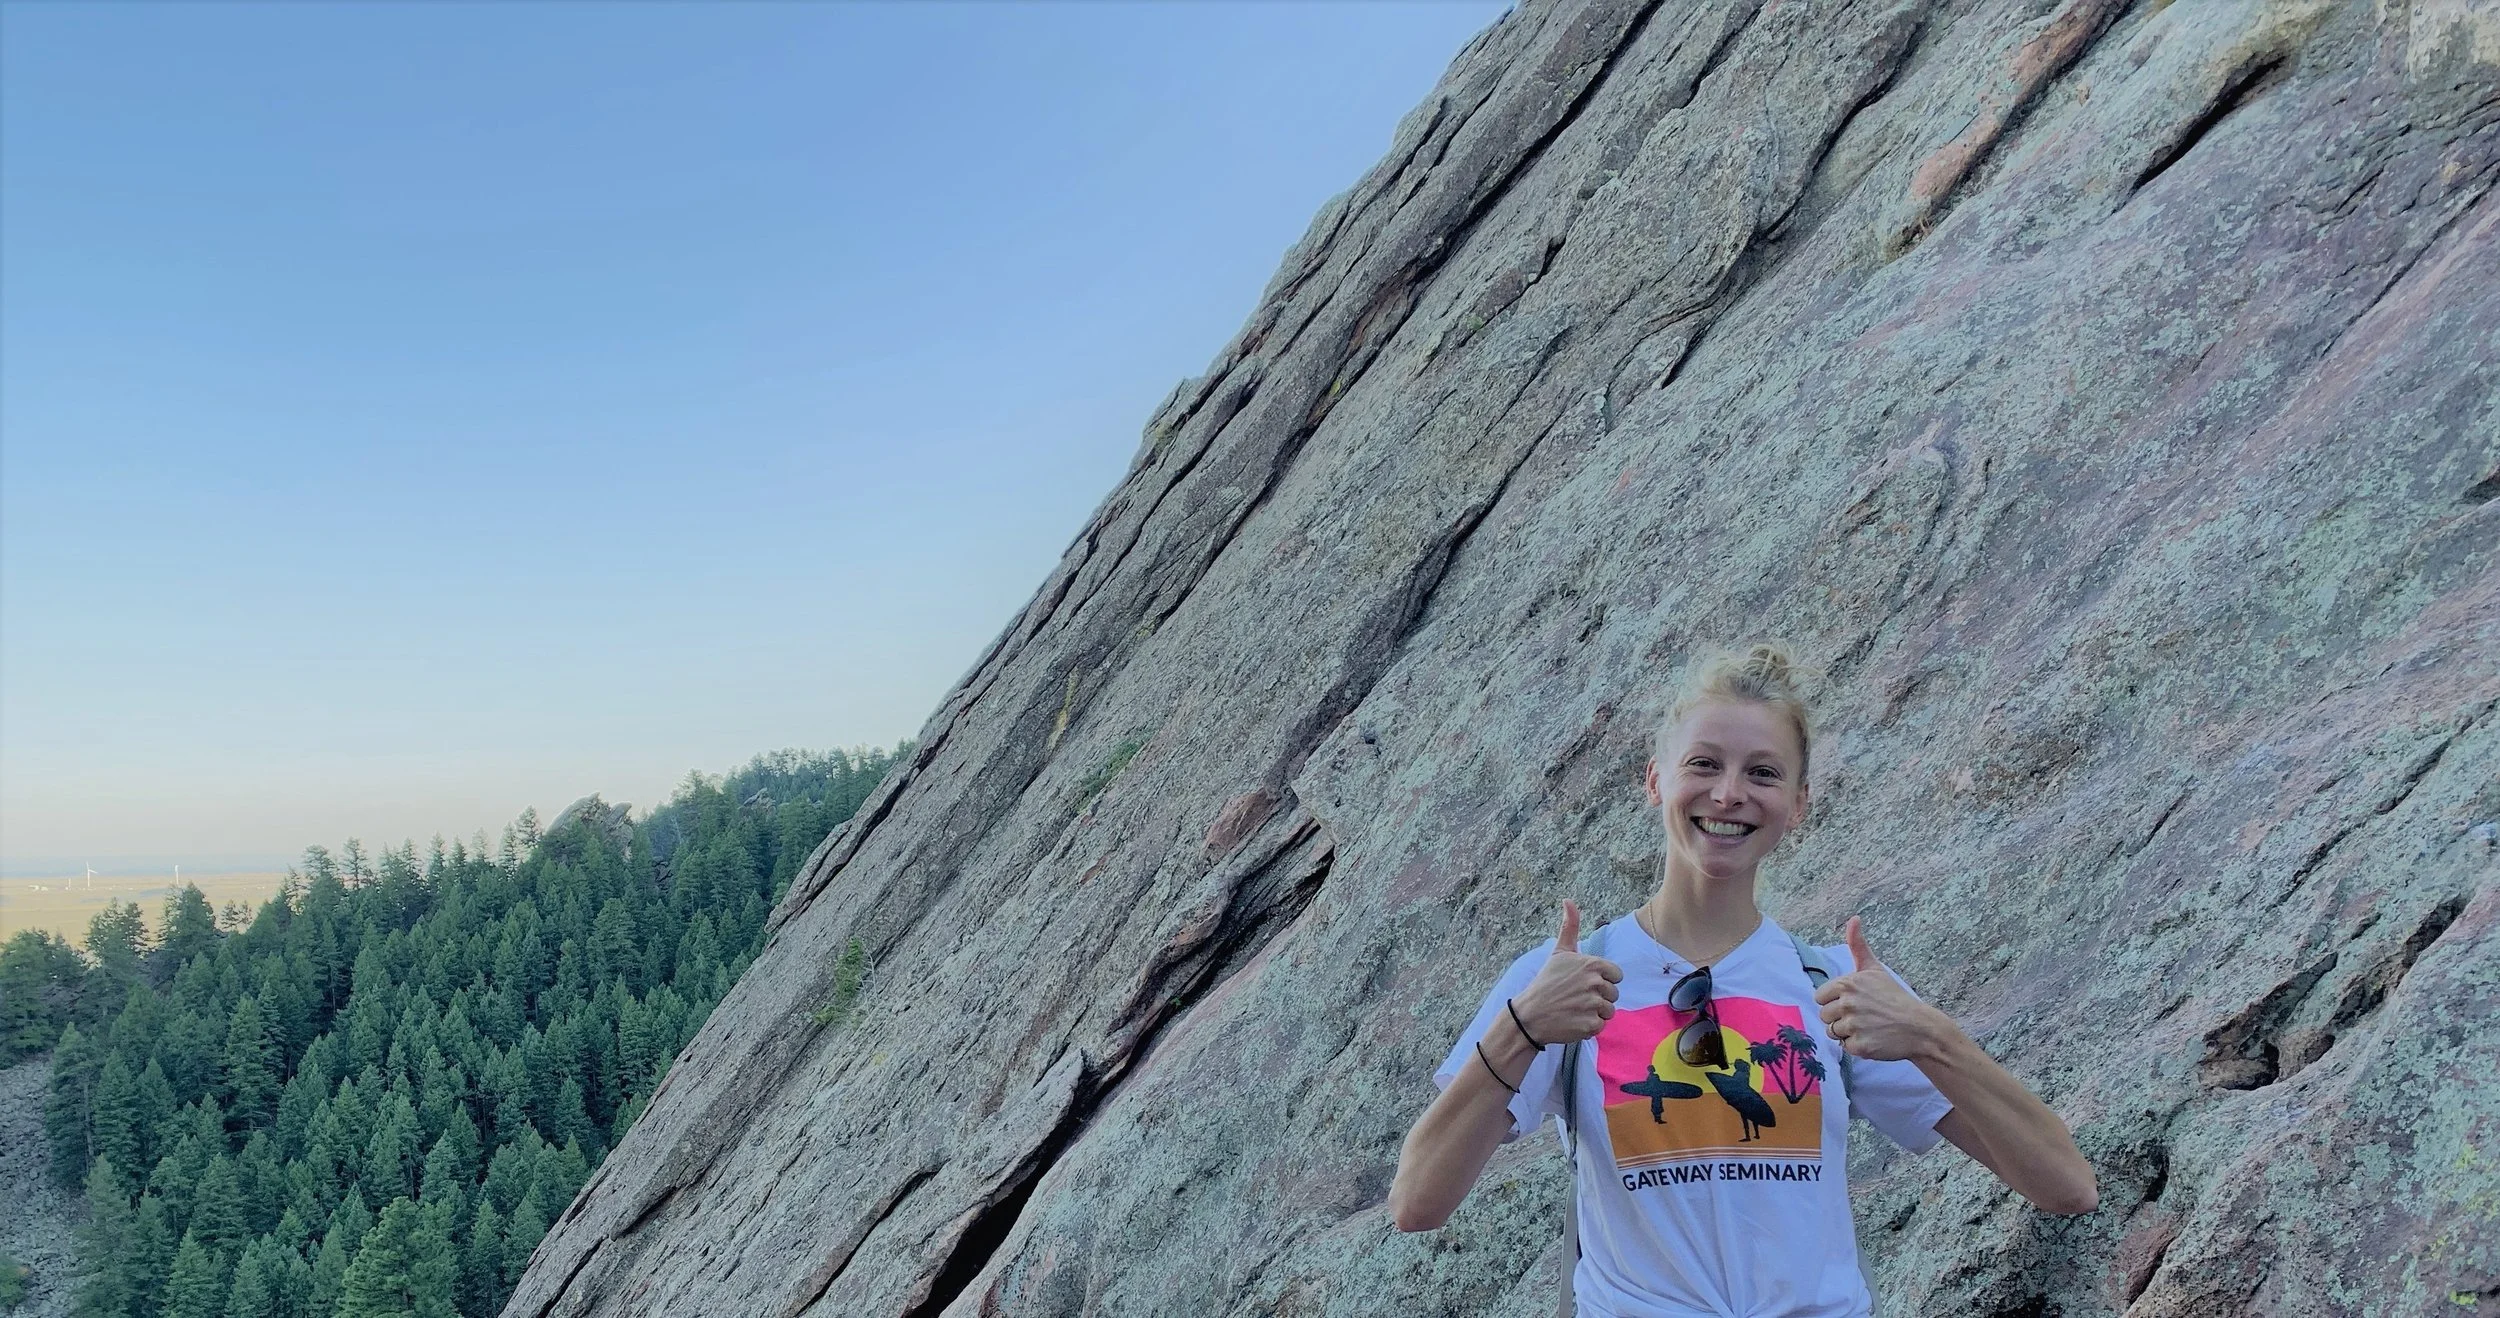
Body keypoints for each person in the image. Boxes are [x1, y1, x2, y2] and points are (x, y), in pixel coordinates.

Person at [1388, 644, 2097, 1316]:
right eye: (1704, 764)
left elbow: (2066, 1186)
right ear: (1655, 780)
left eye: (1763, 773)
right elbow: (1417, 1203)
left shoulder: (1833, 984)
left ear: (1799, 804)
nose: (1728, 794)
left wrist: (1934, 1039)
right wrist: (1521, 1029)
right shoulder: (1565, 978)